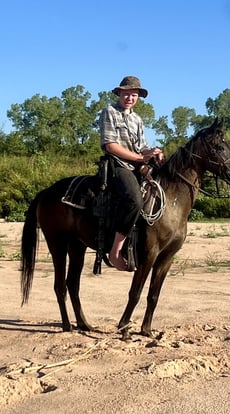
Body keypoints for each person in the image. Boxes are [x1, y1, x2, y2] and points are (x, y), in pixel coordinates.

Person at [99, 76, 165, 271]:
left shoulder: (137, 119)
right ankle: (115, 251)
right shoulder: (109, 112)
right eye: (126, 93)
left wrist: (154, 152)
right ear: (119, 93)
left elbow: (142, 146)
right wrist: (139, 158)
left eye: (134, 94)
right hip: (118, 166)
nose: (130, 97)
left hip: (138, 164)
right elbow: (110, 145)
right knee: (134, 200)